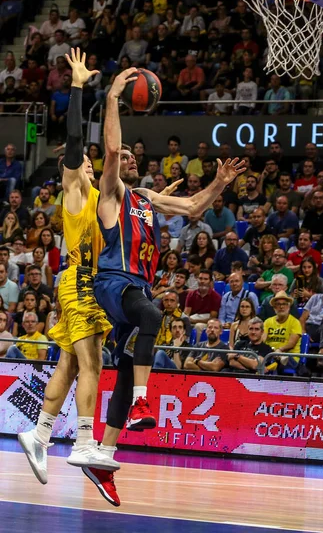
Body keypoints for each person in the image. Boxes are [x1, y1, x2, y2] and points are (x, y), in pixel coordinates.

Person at [90, 66, 245, 464]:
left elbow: (194, 206)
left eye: (131, 155)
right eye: (122, 156)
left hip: (135, 287)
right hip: (113, 282)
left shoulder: (144, 198)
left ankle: (105, 454)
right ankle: (144, 402)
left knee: (126, 366)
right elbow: (109, 151)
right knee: (153, 315)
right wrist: (111, 97)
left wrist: (220, 182)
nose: (126, 158)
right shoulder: (111, 193)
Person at [18, 49, 119, 486]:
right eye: (83, 164)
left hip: (85, 285)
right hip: (79, 284)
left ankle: (38, 433)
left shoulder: (104, 197)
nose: (89, 164)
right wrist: (78, 87)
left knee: (71, 365)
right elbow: (77, 144)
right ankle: (82, 441)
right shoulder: (76, 191)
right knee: (92, 364)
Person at [264, 291, 303, 372]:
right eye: (278, 304)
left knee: (281, 360)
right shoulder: (267, 322)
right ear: (274, 307)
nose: (281, 307)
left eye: (284, 304)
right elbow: (263, 341)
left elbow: (291, 344)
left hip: (289, 356)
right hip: (270, 354)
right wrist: (272, 351)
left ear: (288, 306)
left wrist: (279, 350)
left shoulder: (295, 322)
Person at [184, 269, 221, 341]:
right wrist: (188, 319)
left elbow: (212, 318)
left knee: (198, 326)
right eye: (200, 278)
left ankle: (196, 349)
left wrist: (194, 321)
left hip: (205, 321)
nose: (202, 281)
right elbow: (186, 313)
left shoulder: (216, 297)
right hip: (192, 318)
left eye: (205, 279)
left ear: (210, 282)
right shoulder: (191, 294)